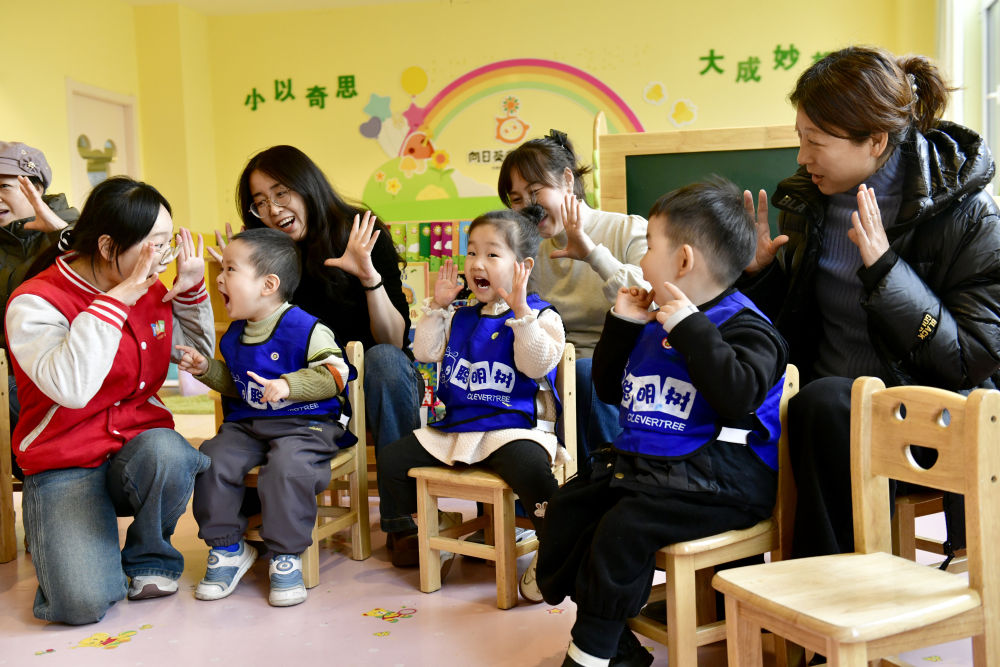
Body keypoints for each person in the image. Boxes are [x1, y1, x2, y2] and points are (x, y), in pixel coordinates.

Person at [742, 46, 1000, 559]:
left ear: (876, 140)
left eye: (815, 142)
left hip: (930, 417)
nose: (802, 157)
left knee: (824, 406)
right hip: (825, 411)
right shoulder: (805, 202)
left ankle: (827, 590)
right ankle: (742, 588)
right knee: (738, 398)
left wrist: (886, 271)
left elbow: (972, 357)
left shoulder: (969, 215)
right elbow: (791, 335)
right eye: (799, 138)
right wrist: (761, 276)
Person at [536, 178, 788, 667]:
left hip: (724, 480)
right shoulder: (655, 318)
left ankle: (591, 652)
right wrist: (623, 323)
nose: (642, 259)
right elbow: (609, 389)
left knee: (623, 527)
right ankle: (618, 646)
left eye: (650, 247)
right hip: (657, 470)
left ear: (685, 260)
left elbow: (737, 395)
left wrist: (691, 328)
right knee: (569, 508)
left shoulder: (748, 326)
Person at [5, 176, 214, 625]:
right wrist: (116, 300)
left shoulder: (151, 287)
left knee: (171, 453)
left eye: (167, 242)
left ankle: (149, 557)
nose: (163, 256)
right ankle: (79, 548)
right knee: (81, 604)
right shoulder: (34, 302)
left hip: (136, 451)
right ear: (106, 246)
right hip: (64, 461)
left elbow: (199, 358)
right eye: (154, 244)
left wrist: (191, 291)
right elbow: (73, 388)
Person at [376, 207, 567, 603]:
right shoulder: (460, 316)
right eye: (472, 252)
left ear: (523, 267)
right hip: (460, 428)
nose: (477, 263)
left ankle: (556, 545)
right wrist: (438, 307)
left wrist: (521, 314)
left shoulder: (542, 316)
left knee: (532, 472)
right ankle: (430, 523)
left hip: (514, 429)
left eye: (492, 254)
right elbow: (424, 352)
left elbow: (536, 364)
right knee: (392, 460)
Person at [177, 228, 354, 608]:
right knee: (210, 459)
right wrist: (207, 369)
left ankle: (286, 555)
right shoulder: (235, 334)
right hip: (250, 426)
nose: (219, 278)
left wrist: (290, 384)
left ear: (268, 284)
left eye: (230, 269)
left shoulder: (305, 328)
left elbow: (335, 375)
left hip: (306, 425)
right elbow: (239, 384)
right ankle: (227, 548)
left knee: (288, 468)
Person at [220, 145, 419, 454]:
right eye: (260, 202)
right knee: (242, 358)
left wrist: (369, 277)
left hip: (372, 381)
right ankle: (248, 476)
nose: (273, 209)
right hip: (303, 385)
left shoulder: (359, 233)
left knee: (385, 360)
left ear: (306, 186)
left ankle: (401, 485)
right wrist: (238, 275)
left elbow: (393, 343)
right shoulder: (268, 256)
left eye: (281, 193)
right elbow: (259, 336)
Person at [498, 130, 648, 461]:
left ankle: (603, 478)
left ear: (567, 180)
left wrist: (593, 254)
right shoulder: (531, 252)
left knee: (582, 374)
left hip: (620, 372)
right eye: (516, 200)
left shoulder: (626, 229)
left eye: (534, 192)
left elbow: (652, 296)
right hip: (552, 370)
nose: (527, 208)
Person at [0, 141, 80, 479]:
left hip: (63, 371)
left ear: (37, 188)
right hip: (10, 373)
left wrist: (60, 231)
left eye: (4, 187)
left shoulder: (77, 229)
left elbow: (107, 274)